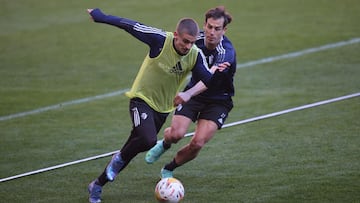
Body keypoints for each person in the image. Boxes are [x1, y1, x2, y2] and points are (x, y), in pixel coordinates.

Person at [85, 8, 228, 203]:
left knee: (136, 144)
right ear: (176, 35)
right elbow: (130, 25)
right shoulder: (160, 40)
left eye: (192, 42)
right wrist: (101, 17)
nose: (188, 46)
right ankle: (116, 160)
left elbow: (207, 79)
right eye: (185, 41)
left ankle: (97, 185)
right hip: (141, 99)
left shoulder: (194, 55)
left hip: (162, 109)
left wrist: (212, 72)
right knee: (147, 139)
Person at [145, 6, 236, 179]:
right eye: (209, 26)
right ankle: (165, 143)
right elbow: (173, 43)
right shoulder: (195, 39)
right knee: (176, 134)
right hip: (195, 95)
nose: (211, 32)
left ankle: (169, 168)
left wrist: (187, 94)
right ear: (205, 24)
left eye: (217, 29)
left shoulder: (226, 53)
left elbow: (210, 80)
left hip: (218, 101)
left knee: (197, 143)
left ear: (224, 30)